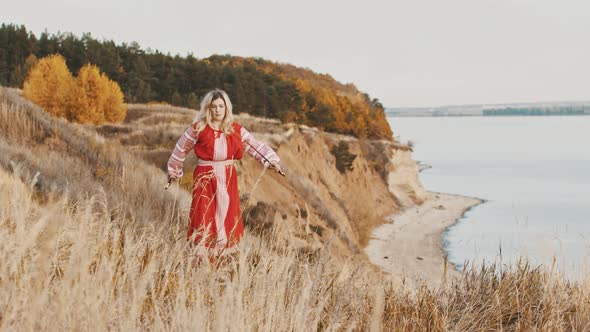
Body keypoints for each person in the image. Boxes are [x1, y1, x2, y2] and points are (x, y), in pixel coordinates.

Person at [167, 89, 282, 265]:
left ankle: (222, 260)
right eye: (214, 106)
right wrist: (174, 171)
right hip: (205, 177)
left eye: (221, 106)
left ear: (227, 108)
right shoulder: (198, 128)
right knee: (204, 215)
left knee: (227, 215)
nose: (218, 110)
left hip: (228, 178)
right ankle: (200, 261)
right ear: (208, 108)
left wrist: (271, 160)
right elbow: (181, 148)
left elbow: (255, 146)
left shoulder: (235, 129)